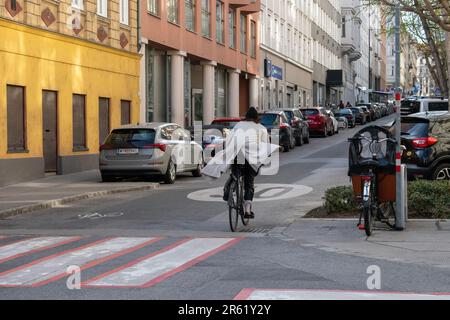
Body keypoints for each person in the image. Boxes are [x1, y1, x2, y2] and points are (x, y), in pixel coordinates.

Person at [202, 107, 278, 219]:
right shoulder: (261, 128)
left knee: (235, 172)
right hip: (252, 157)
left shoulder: (239, 125)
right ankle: (247, 210)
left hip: (237, 154)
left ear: (246, 116)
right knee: (249, 182)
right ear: (257, 117)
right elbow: (265, 145)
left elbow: (230, 140)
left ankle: (229, 187)